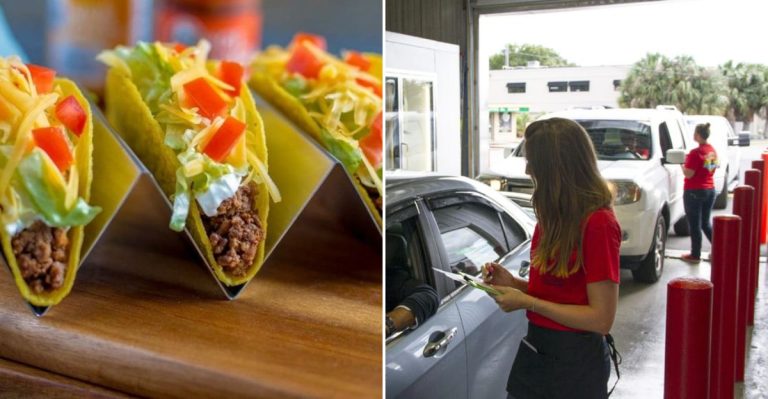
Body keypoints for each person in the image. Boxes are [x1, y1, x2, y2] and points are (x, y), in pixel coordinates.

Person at [482, 118, 621, 399]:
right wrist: (515, 283)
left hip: (576, 360)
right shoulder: (551, 218)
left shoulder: (598, 224)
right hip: (539, 349)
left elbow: (601, 319)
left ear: (556, 169)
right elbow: (562, 293)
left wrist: (528, 301)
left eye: (533, 161)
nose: (527, 169)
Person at [680, 122, 719, 263]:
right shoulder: (712, 151)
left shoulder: (695, 153)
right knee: (705, 223)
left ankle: (695, 255)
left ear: (697, 135)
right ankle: (719, 249)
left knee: (695, 225)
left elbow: (689, 174)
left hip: (693, 191)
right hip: (709, 190)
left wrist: (681, 164)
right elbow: (712, 169)